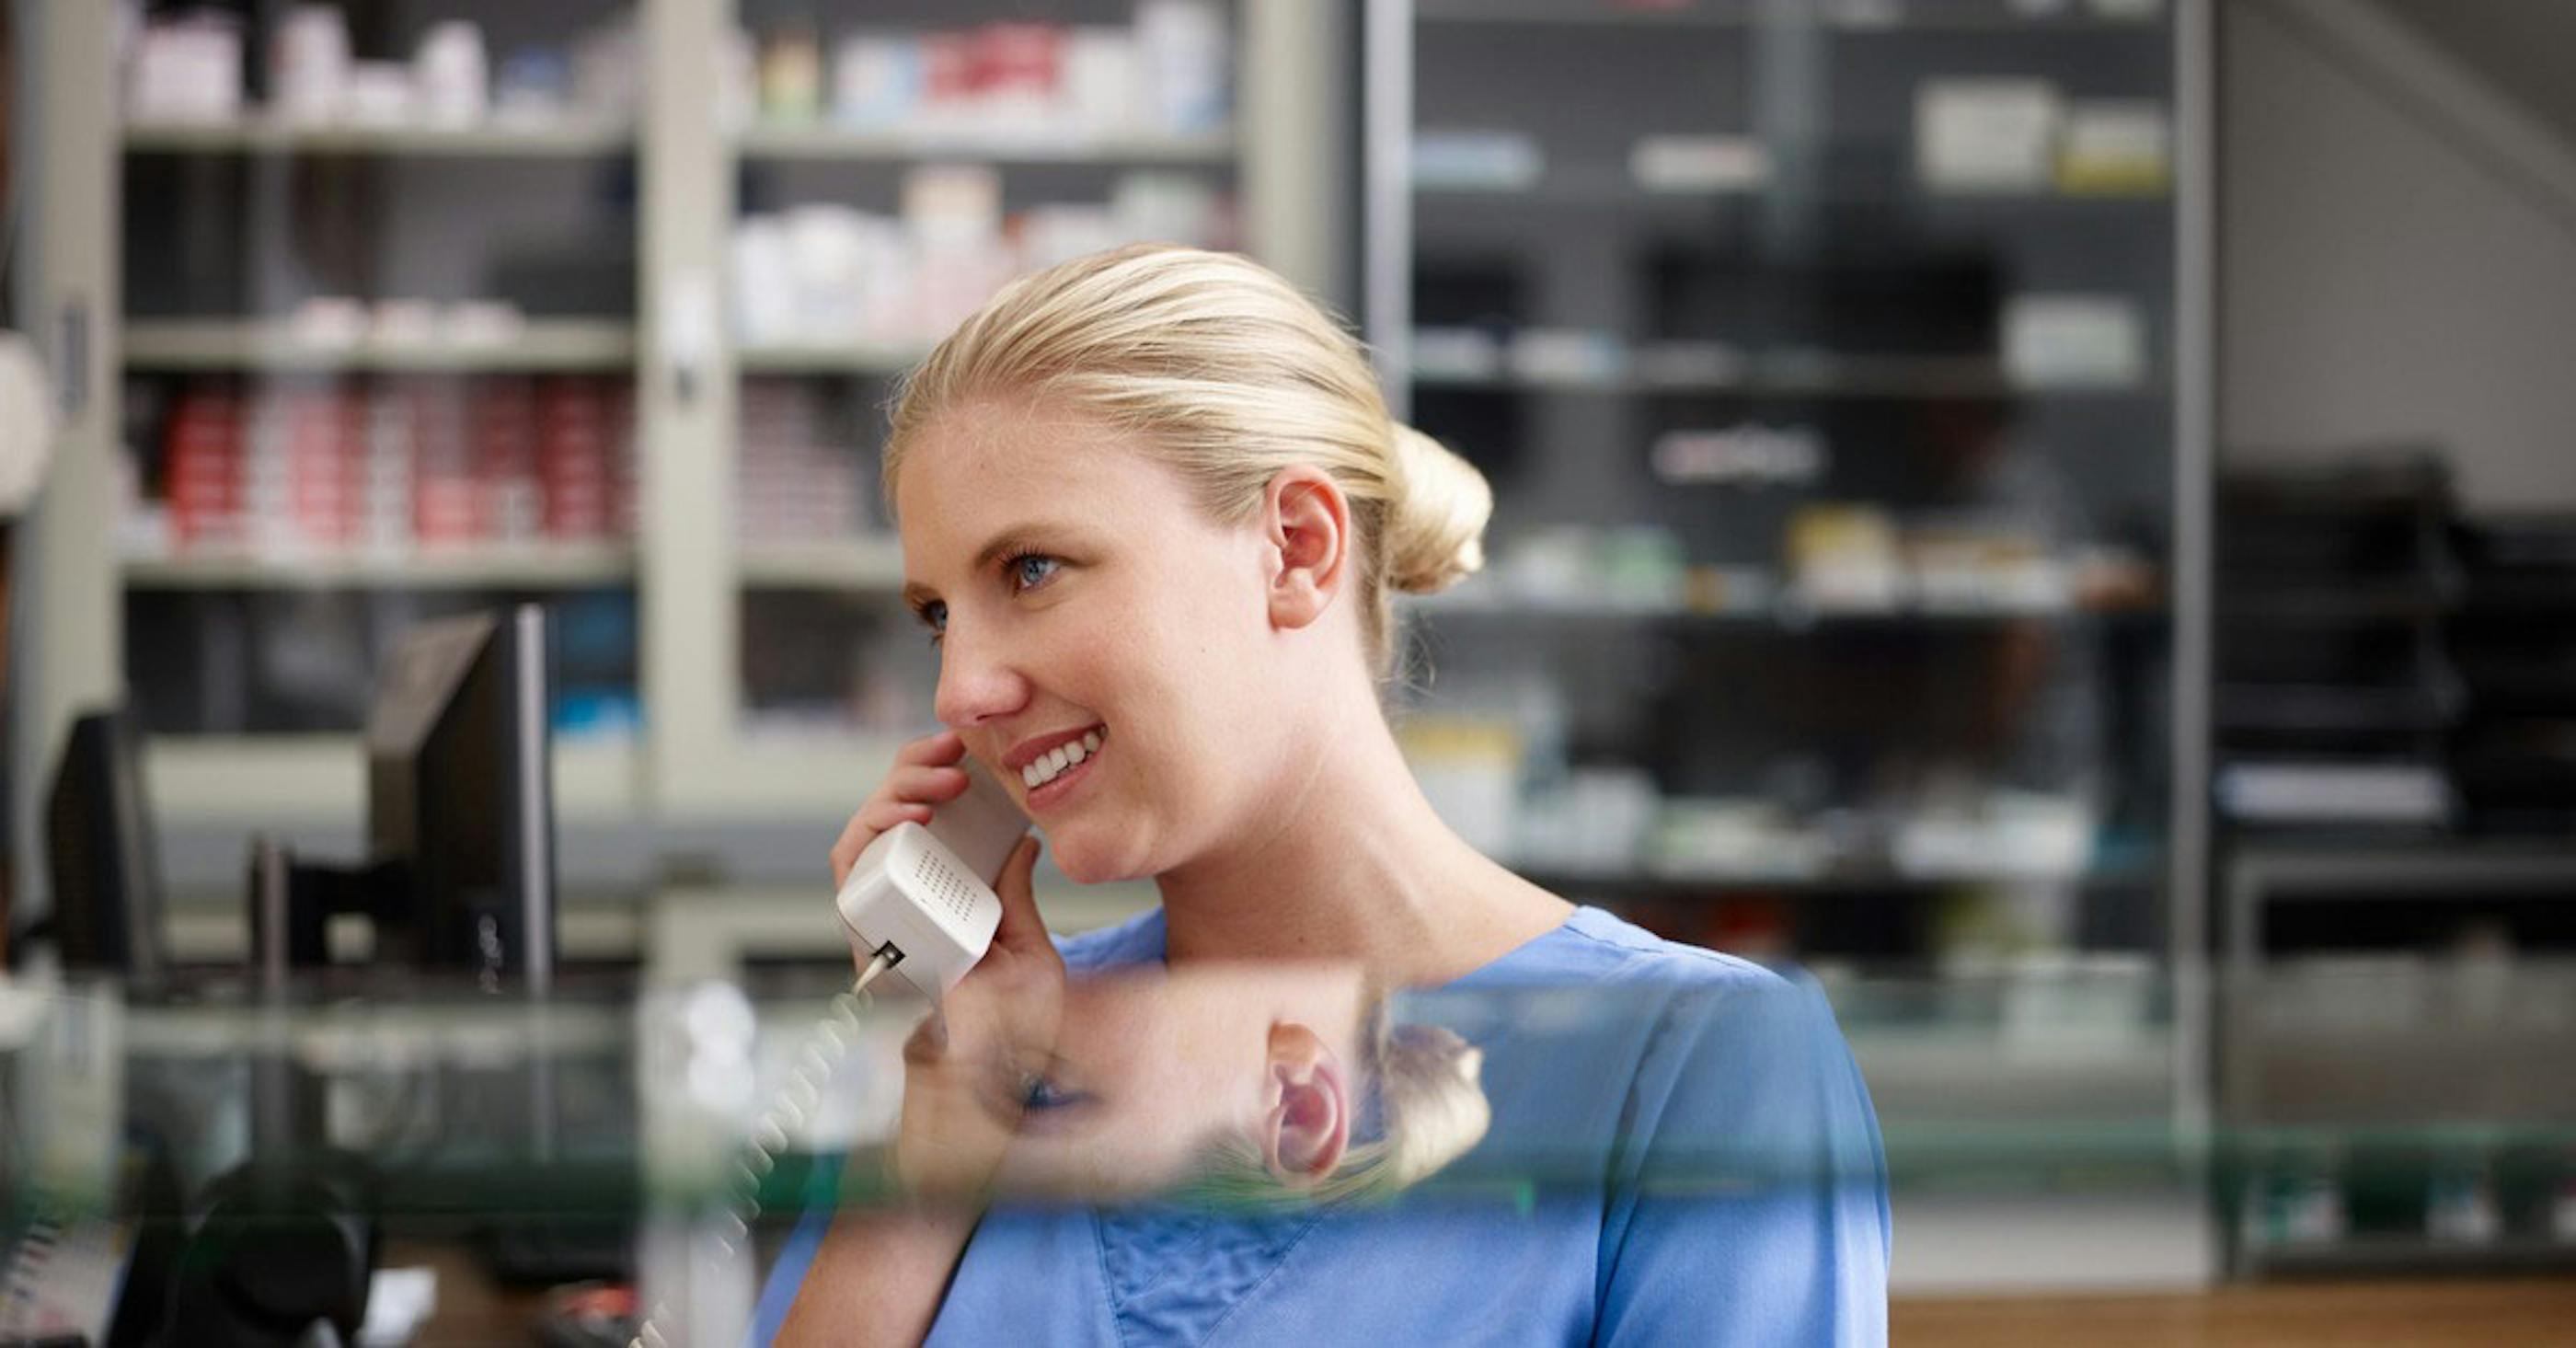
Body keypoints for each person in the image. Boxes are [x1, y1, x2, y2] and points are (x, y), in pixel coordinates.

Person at [759, 244, 1889, 1345]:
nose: (961, 690)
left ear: (1295, 548)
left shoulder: (1696, 1057)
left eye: (1031, 571)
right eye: (936, 615)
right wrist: (956, 1099)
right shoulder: (985, 1043)